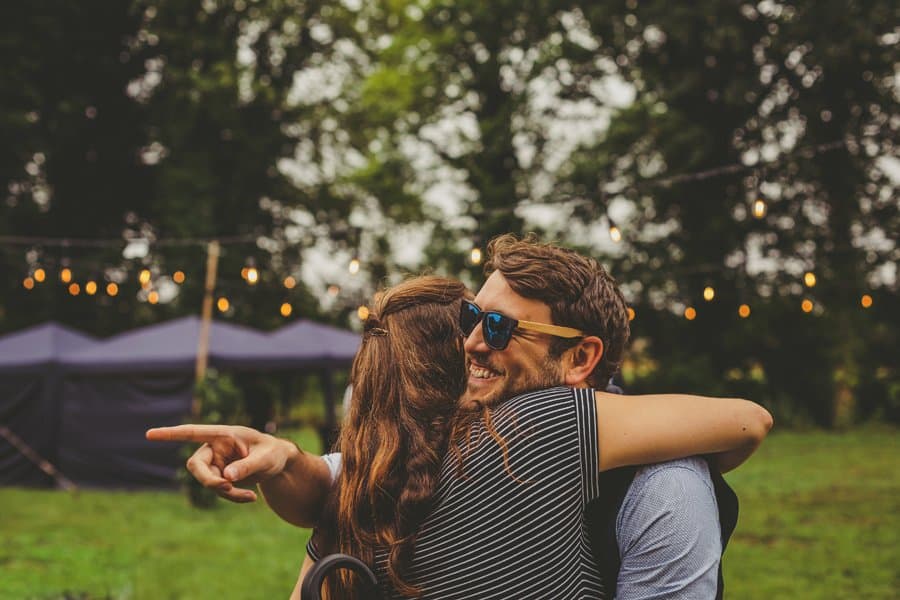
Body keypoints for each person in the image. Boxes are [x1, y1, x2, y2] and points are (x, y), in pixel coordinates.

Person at [147, 236, 773, 599]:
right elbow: (747, 423)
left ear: (581, 359)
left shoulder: (660, 483)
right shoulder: (413, 458)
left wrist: (288, 461)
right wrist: (287, 460)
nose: (472, 341)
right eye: (470, 319)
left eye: (499, 327)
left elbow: (749, 420)